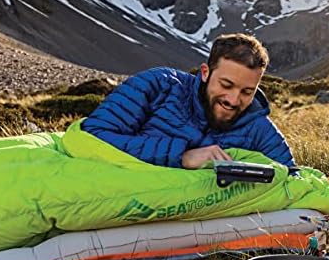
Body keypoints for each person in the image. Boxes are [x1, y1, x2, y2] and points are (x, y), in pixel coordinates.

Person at [82, 33, 295, 169]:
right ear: (205, 72)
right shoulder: (159, 85)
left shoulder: (259, 128)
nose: (233, 100)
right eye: (226, 85)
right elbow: (92, 137)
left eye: (247, 92)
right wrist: (181, 156)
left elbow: (293, 177)